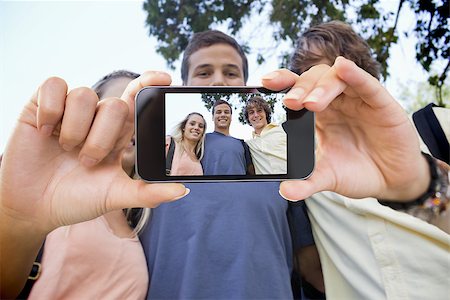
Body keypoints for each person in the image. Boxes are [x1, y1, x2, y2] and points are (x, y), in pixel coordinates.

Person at [1, 30, 320, 299]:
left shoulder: (268, 167)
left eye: (231, 73)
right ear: (184, 83)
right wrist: (17, 221)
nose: (217, 80)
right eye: (204, 72)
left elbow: (309, 263)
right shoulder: (143, 182)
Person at [283, 20, 450, 299]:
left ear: (356, 68)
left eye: (321, 71)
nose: (312, 86)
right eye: (302, 76)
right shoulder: (302, 170)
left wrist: (423, 190)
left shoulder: (437, 124)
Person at [23, 70, 150, 299]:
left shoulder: (144, 220)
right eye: (121, 106)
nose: (131, 120)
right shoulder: (47, 185)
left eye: (143, 111)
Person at [201, 99, 255, 175]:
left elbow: (252, 173)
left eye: (226, 112)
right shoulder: (202, 140)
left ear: (231, 117)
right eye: (218, 112)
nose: (223, 115)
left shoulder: (242, 144)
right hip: (209, 186)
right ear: (213, 117)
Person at [243, 95, 287, 174]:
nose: (256, 115)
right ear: (248, 118)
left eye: (259, 110)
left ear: (266, 113)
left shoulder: (283, 130)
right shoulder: (248, 145)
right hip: (268, 185)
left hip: (294, 181)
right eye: (251, 112)